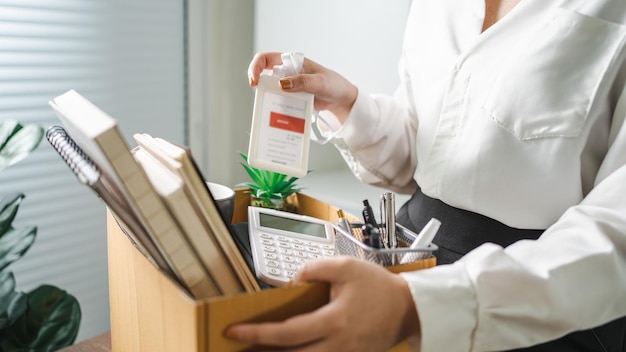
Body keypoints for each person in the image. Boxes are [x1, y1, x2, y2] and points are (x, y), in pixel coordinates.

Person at [226, 0, 626, 351]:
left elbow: (615, 234)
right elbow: (427, 155)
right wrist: (348, 104)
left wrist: (416, 306)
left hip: (546, 300)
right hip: (411, 250)